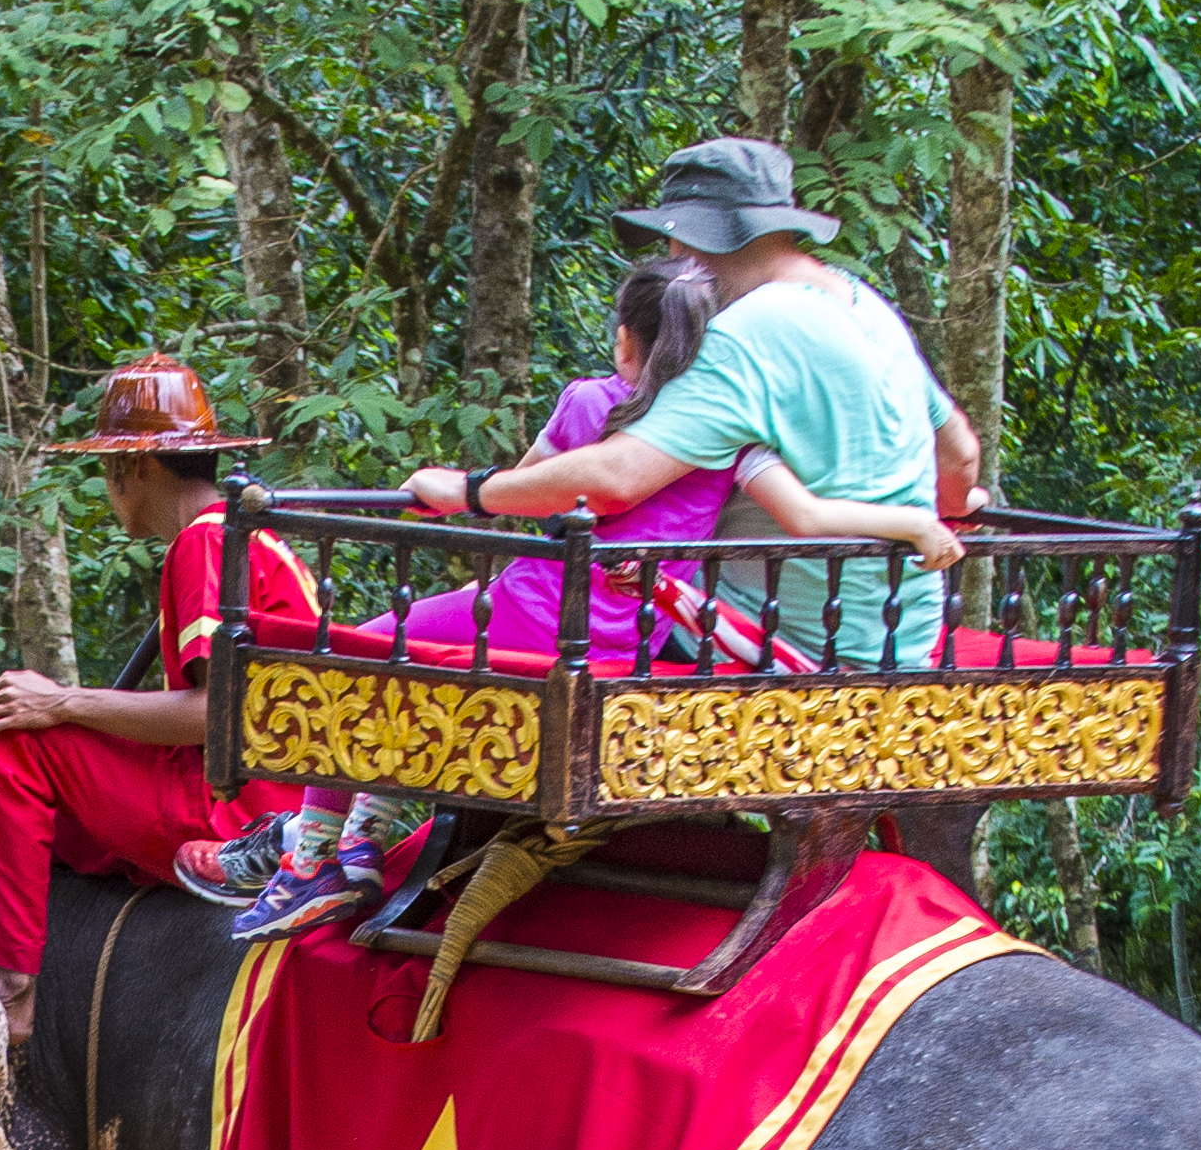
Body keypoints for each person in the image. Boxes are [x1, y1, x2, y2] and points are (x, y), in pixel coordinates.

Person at [216, 241, 971, 943]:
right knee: (406, 656)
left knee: (356, 653)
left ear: (623, 341)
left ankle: (319, 857)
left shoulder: (588, 403)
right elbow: (810, 512)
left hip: (545, 612)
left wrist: (456, 491)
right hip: (647, 629)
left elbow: (544, 488)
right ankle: (360, 837)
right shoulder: (732, 433)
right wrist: (914, 520)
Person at [417, 137, 981, 675]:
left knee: (412, 650)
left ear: (687, 241)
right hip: (899, 636)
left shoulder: (751, 329)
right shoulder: (866, 305)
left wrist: (471, 492)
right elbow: (959, 465)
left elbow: (616, 479)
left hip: (775, 638)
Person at [0, 356, 316, 1029]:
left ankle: (10, 980)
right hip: (275, 792)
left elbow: (213, 716)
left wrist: (64, 702)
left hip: (240, 811)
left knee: (10, 736)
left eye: (107, 471)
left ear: (133, 466)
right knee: (55, 786)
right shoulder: (242, 535)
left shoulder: (204, 544)